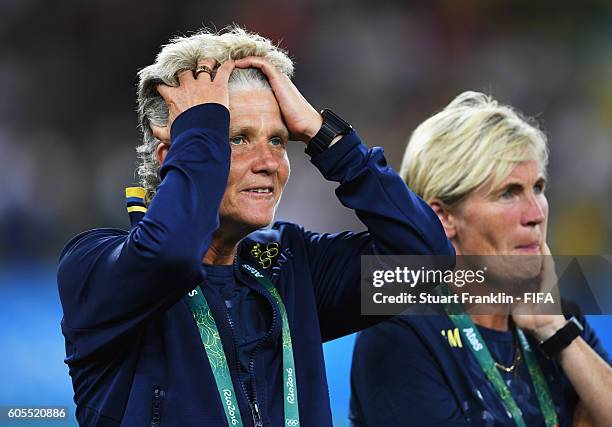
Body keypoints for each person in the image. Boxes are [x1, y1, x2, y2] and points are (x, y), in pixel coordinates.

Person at [57, 27, 454, 426]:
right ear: (173, 155)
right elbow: (171, 254)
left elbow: (427, 263)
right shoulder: (95, 269)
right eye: (237, 139)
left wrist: (326, 137)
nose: (268, 162)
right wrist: (200, 128)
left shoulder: (292, 267)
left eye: (279, 141)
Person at [350, 91, 612, 427]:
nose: (536, 213)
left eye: (539, 187)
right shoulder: (398, 331)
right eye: (508, 193)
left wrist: (554, 330)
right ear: (443, 218)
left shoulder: (559, 319)